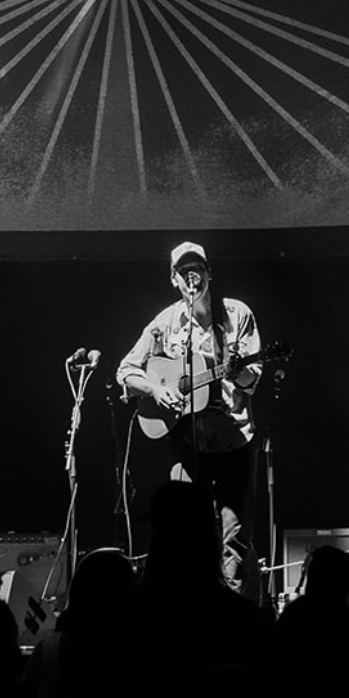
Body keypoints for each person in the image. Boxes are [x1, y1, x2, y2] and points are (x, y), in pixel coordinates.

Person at [116, 241, 263, 596]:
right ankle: (189, 607)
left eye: (197, 267)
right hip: (187, 443)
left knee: (233, 536)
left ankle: (234, 610)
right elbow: (126, 371)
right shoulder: (164, 323)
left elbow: (253, 377)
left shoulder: (236, 314)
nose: (191, 275)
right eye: (183, 271)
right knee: (183, 533)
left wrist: (237, 370)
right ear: (174, 280)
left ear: (209, 272)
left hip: (234, 441)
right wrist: (155, 389)